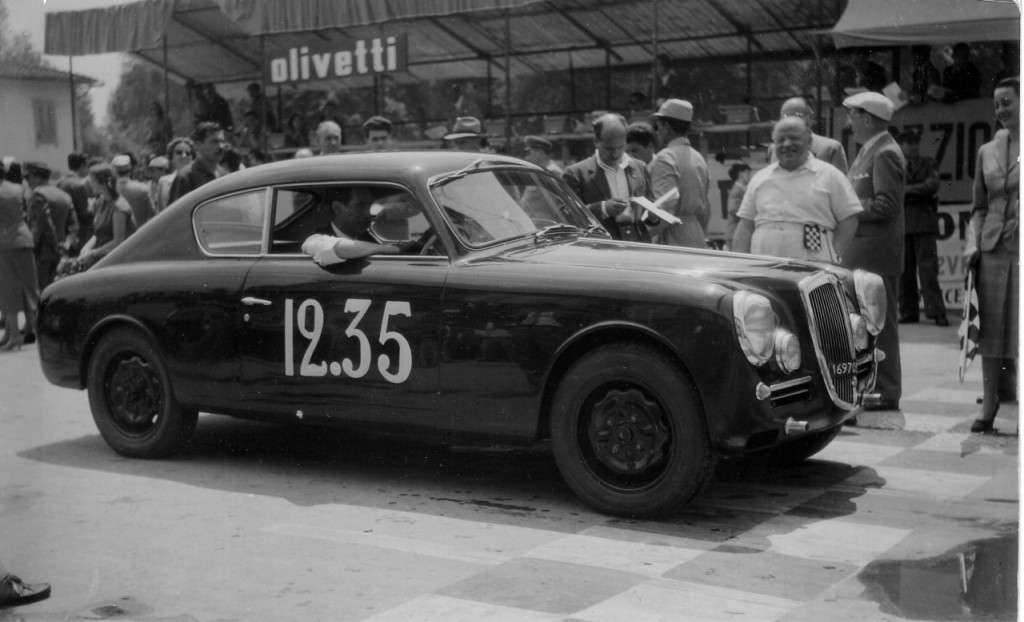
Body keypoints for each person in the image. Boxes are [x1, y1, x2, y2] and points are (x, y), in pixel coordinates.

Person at [842, 91, 906, 412]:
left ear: (867, 118)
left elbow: (887, 204)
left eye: (852, 115)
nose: (848, 122)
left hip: (877, 255)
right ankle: (875, 387)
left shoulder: (884, 153)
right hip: (865, 253)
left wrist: (849, 207)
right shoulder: (871, 150)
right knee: (868, 325)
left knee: (882, 325)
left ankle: (887, 390)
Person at [965, 77, 1019, 434]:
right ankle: (989, 403)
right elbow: (978, 207)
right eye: (997, 103)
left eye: (1008, 102)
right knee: (992, 334)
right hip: (992, 250)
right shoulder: (987, 150)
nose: (1001, 110)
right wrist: (972, 244)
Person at [732, 116, 861, 261]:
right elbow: (745, 225)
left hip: (815, 269)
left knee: (823, 286)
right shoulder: (760, 178)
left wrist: (834, 257)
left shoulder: (830, 175)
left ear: (809, 141)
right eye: (780, 140)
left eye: (794, 138)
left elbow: (849, 220)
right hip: (764, 269)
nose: (787, 144)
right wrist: (739, 264)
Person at [562, 113, 655, 242]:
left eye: (621, 147)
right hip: (601, 248)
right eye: (609, 149)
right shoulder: (575, 174)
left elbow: (650, 210)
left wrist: (654, 216)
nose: (616, 154)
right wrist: (603, 209)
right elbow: (567, 215)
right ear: (595, 141)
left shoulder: (640, 167)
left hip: (638, 246)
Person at [897, 130, 948, 326]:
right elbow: (898, 192)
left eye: (915, 142)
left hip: (924, 222)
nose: (913, 146)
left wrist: (906, 191)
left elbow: (933, 185)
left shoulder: (929, 163)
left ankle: (937, 312)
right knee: (905, 272)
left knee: (928, 269)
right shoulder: (896, 164)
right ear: (901, 145)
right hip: (904, 222)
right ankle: (908, 312)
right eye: (909, 142)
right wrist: (918, 190)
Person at [649, 99, 710, 248]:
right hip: (696, 234)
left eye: (658, 125)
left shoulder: (666, 157)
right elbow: (706, 209)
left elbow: (664, 208)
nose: (657, 131)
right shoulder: (698, 157)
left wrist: (641, 235)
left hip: (673, 238)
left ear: (667, 126)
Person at [301, 187, 411, 265]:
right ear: (337, 207)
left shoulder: (369, 239)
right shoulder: (317, 236)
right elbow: (327, 247)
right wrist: (388, 249)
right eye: (360, 206)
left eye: (368, 206)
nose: (367, 213)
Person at [0, 160, 39, 352]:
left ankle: (15, 336)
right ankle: (36, 330)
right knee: (31, 288)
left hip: (4, 244)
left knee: (9, 292)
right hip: (23, 238)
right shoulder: (18, 188)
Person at [24, 162, 77, 290]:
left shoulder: (37, 194)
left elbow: (43, 224)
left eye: (28, 177)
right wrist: (65, 245)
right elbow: (73, 226)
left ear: (37, 177)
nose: (27, 181)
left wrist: (54, 245)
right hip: (61, 252)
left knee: (41, 292)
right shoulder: (64, 196)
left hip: (42, 252)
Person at [766, 97, 848, 173]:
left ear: (810, 118)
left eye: (797, 115)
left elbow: (839, 183)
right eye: (785, 116)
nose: (791, 120)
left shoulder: (830, 148)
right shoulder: (774, 149)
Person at [78, 163, 137, 268]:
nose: (90, 184)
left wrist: (93, 253)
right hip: (104, 259)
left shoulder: (119, 207)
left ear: (103, 183)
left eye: (92, 181)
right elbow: (98, 234)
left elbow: (118, 242)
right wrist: (86, 248)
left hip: (119, 262)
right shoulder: (101, 202)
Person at [168, 122, 226, 204]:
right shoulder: (186, 177)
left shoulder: (225, 174)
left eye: (222, 141)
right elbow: (175, 214)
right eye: (214, 142)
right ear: (199, 144)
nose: (221, 146)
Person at [57, 152, 93, 254]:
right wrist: (93, 205)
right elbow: (85, 214)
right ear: (82, 165)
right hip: (80, 234)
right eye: (87, 166)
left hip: (64, 232)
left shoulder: (60, 182)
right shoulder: (79, 185)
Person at [112, 154, 157, 228]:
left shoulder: (110, 190)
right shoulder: (143, 188)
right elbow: (152, 214)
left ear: (114, 172)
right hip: (140, 235)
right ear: (130, 169)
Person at [156, 137, 194, 212]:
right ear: (171, 157)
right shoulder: (163, 181)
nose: (184, 156)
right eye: (179, 152)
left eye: (188, 153)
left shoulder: (195, 178)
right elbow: (160, 211)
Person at [723, 162, 751, 247]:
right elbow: (733, 209)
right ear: (740, 174)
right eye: (747, 173)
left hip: (736, 232)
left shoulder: (740, 190)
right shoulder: (737, 191)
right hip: (734, 232)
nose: (750, 176)